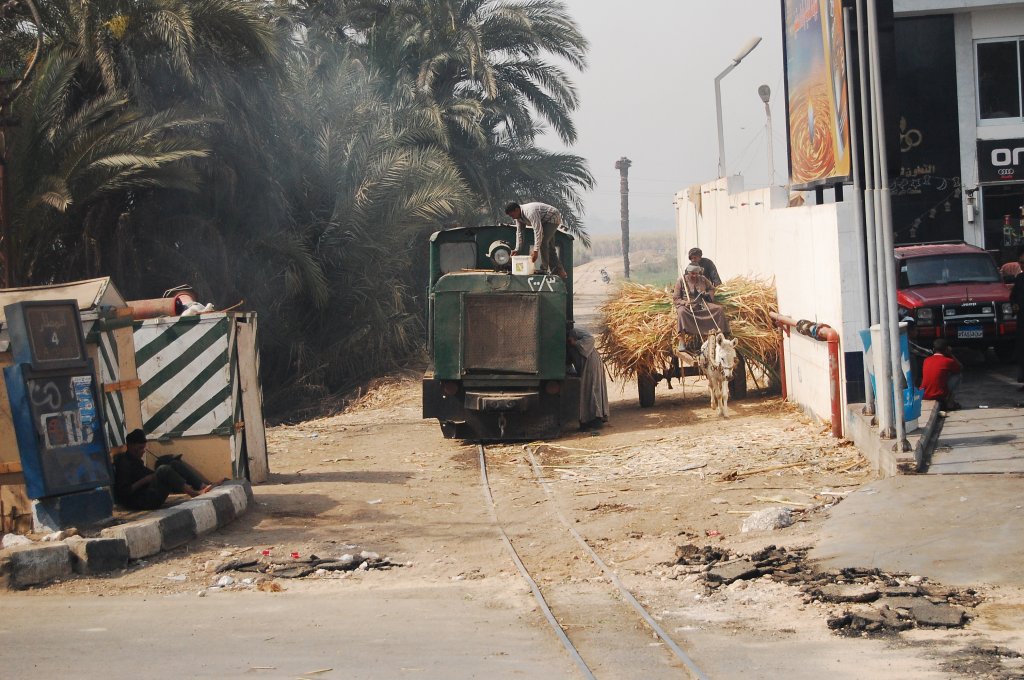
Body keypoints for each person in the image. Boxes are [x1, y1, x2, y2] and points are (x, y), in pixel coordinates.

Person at [112, 429, 220, 510]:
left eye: (143, 448)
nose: (143, 451)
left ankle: (202, 485)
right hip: (142, 501)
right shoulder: (124, 464)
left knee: (172, 463)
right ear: (130, 446)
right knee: (163, 469)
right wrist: (145, 480)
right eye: (140, 448)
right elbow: (124, 492)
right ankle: (193, 493)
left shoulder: (136, 461)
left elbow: (150, 475)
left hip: (150, 493)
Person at [672, 263, 730, 351]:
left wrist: (708, 295)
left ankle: (721, 336)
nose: (695, 275)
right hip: (688, 306)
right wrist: (684, 302)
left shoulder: (702, 279)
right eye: (692, 273)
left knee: (719, 309)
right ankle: (682, 341)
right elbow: (676, 298)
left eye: (696, 273)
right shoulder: (681, 281)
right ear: (688, 272)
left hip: (702, 303)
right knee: (681, 312)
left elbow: (711, 288)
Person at [505, 201, 567, 278]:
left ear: (517, 210)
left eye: (512, 215)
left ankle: (544, 269)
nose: (513, 217)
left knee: (543, 241)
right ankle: (559, 270)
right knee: (550, 247)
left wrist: (535, 251)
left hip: (553, 217)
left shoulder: (530, 212)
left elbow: (538, 231)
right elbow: (520, 232)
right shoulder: (518, 217)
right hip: (543, 220)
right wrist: (517, 249)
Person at [567, 327, 610, 430]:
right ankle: (588, 420)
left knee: (593, 389)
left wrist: (575, 343)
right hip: (584, 364)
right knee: (587, 391)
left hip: (591, 362)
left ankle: (596, 420)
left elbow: (591, 338)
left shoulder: (575, 332)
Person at [920, 339, 962, 410]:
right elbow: (960, 367)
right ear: (947, 350)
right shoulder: (948, 361)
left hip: (924, 394)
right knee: (958, 375)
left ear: (933, 349)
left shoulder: (926, 360)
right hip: (939, 395)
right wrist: (951, 354)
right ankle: (950, 403)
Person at [1012, 252, 1024, 387]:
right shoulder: (1020, 278)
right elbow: (1013, 295)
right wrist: (1014, 304)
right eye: (1020, 262)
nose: (1021, 265)